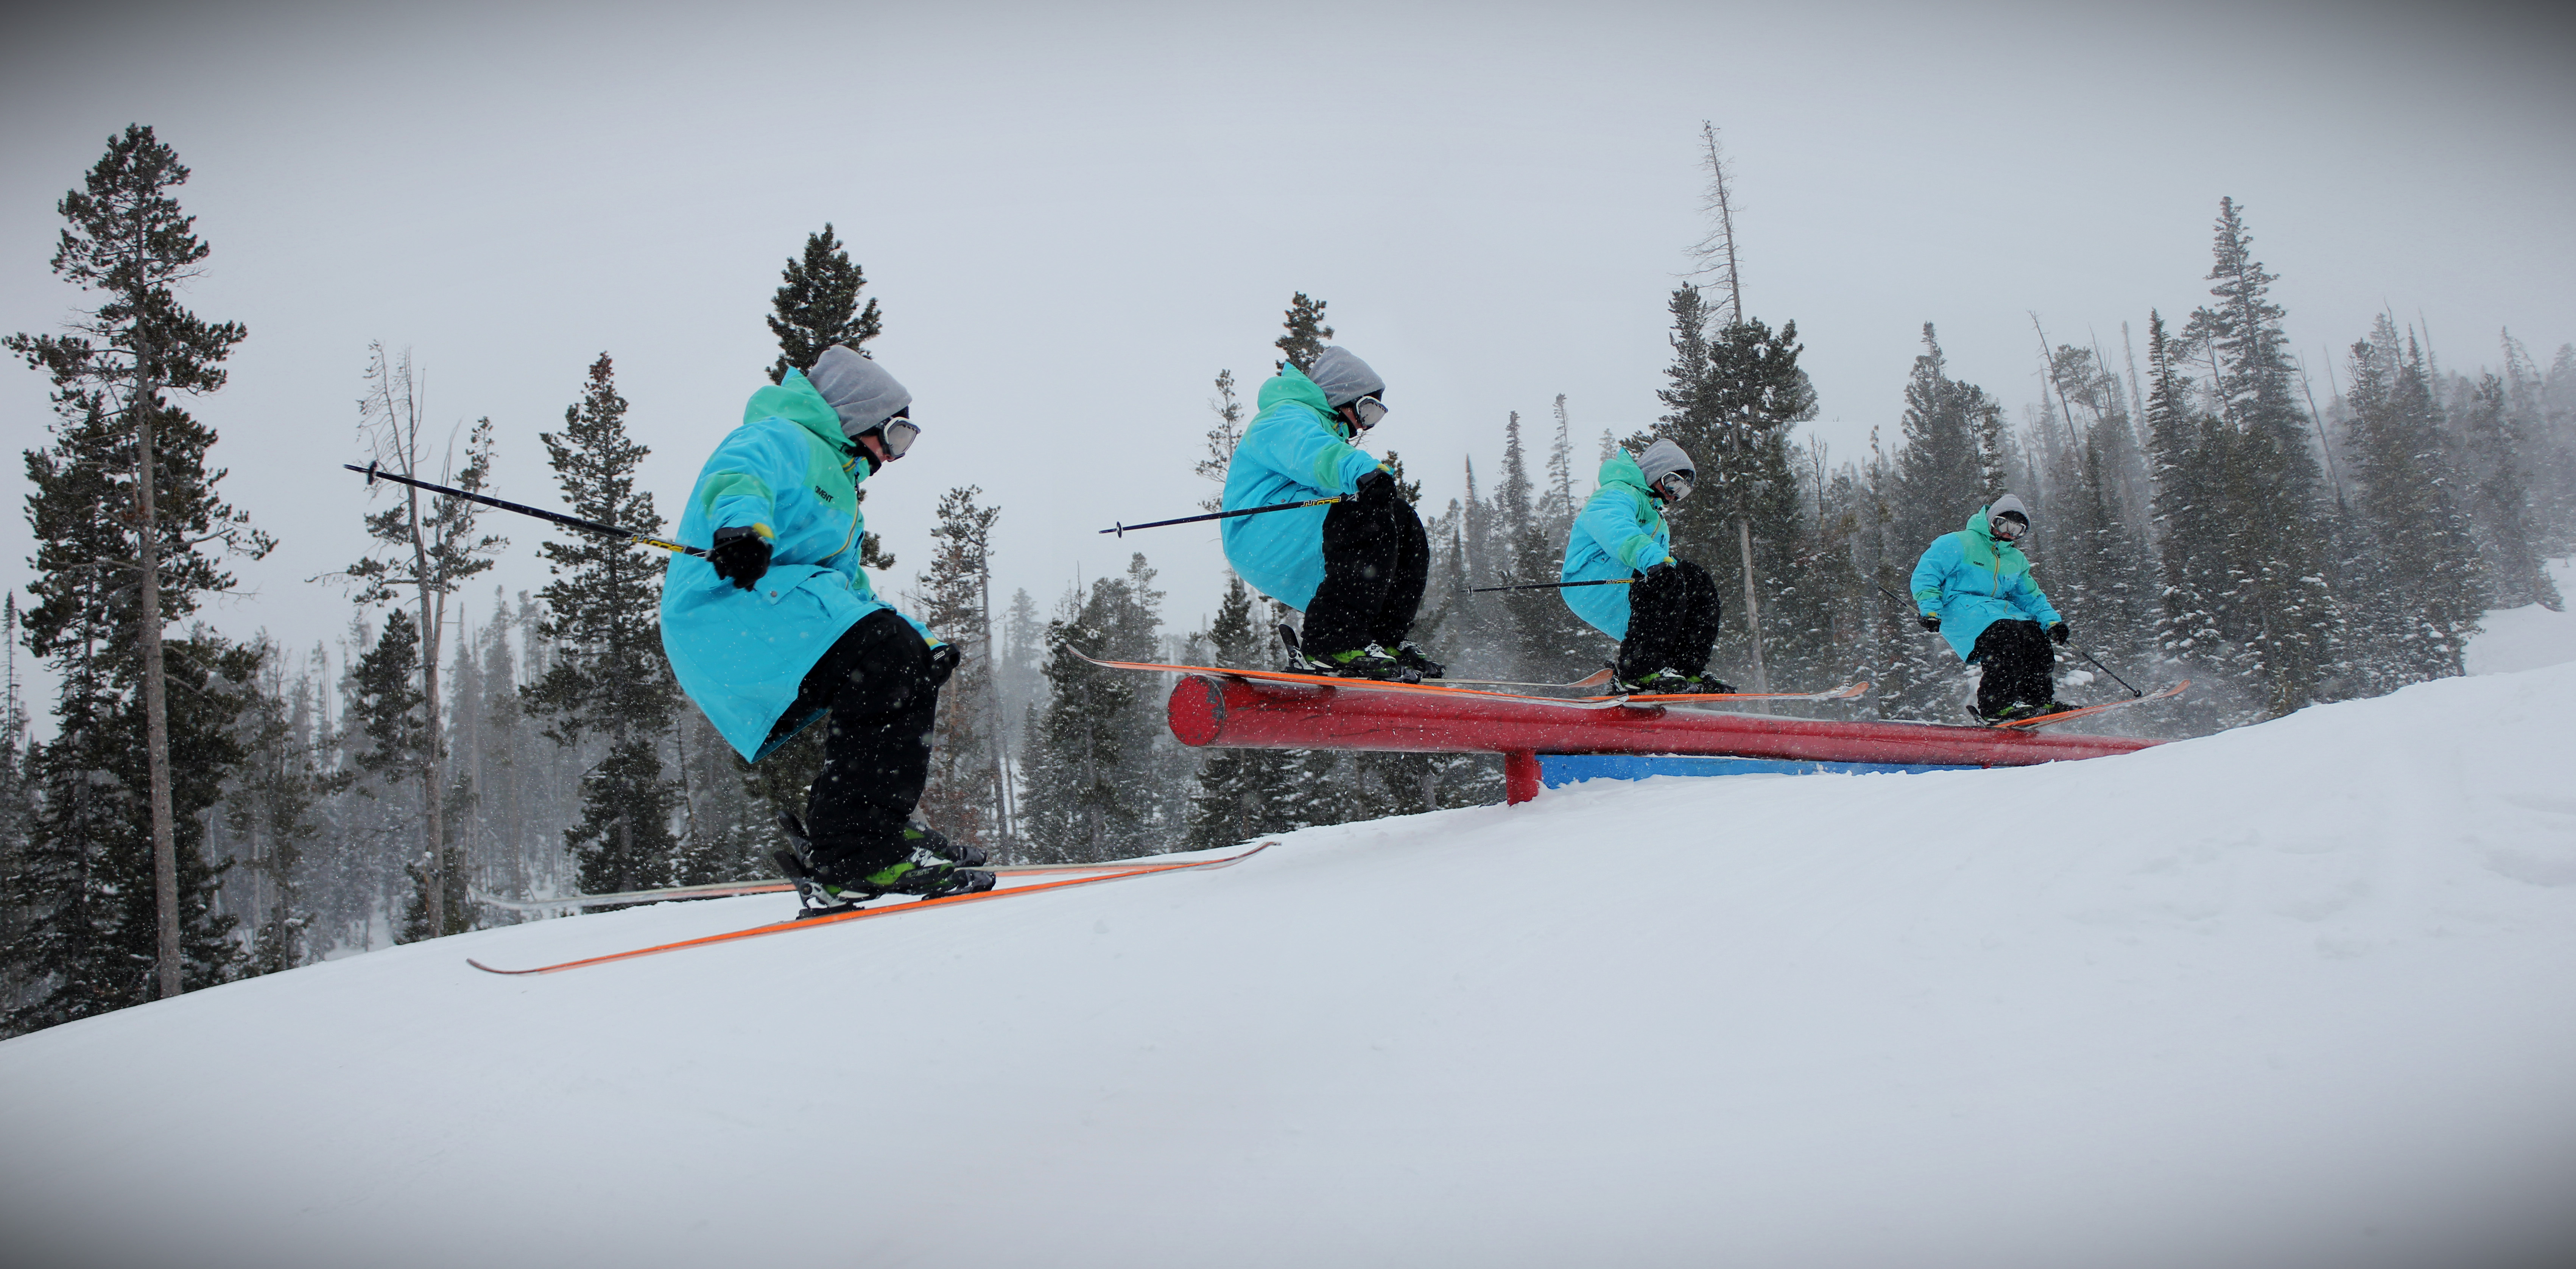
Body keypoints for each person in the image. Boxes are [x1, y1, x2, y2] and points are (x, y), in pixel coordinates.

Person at [660, 345, 993, 907]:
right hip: (727, 608)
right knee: (887, 653)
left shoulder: (841, 495)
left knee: (905, 661)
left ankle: (872, 829)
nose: (893, 455)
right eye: (895, 435)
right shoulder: (782, 436)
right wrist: (743, 530)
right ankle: (856, 848)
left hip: (774, 615)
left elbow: (849, 593)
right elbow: (738, 475)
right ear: (859, 414)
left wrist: (926, 642)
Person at [1219, 346, 1439, 681]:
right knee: (1366, 519)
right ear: (1341, 395)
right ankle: (1333, 641)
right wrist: (1364, 471)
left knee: (1402, 522)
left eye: (1375, 417)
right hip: (1257, 529)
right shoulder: (1285, 416)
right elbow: (1312, 452)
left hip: (1290, 529)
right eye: (1366, 410)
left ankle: (1381, 637)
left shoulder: (1319, 426)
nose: (1364, 425)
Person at [1559, 439, 1734, 694]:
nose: (1673, 495)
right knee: (1668, 577)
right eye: (1673, 483)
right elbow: (1615, 529)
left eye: (1682, 491)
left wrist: (1669, 574)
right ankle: (1638, 671)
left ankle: (1684, 667)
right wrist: (1656, 563)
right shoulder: (1617, 493)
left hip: (1627, 587)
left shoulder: (1656, 516)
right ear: (1656, 471)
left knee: (1698, 583)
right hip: (1591, 580)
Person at [1909, 492, 2071, 722]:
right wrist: (1930, 609)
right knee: (2004, 636)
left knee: (2035, 636)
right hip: (1959, 608)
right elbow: (1928, 574)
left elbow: (2029, 596)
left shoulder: (2015, 559)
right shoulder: (1958, 542)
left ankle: (2038, 700)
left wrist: (2052, 622)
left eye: (2017, 530)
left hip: (1996, 612)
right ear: (1991, 520)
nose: (2008, 534)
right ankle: (1997, 705)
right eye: (2003, 525)